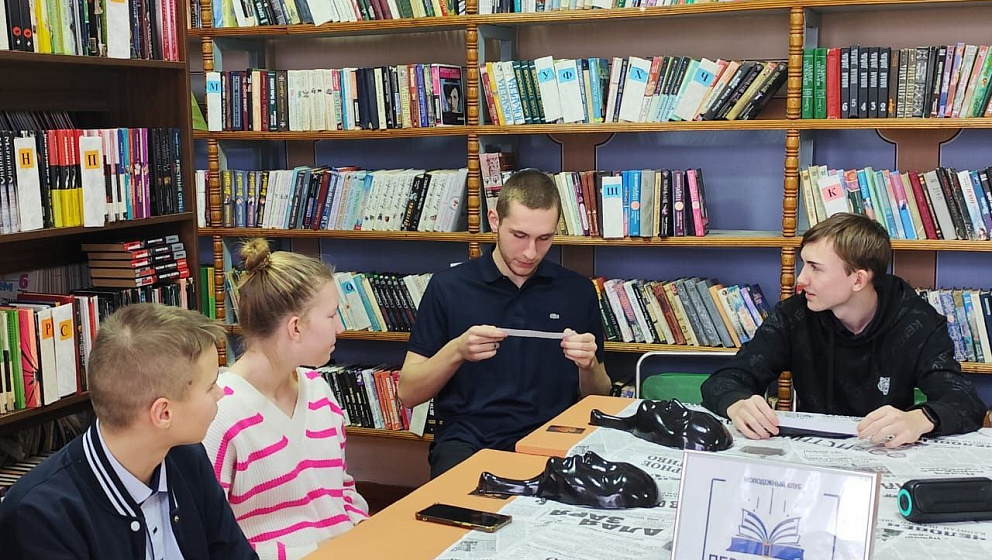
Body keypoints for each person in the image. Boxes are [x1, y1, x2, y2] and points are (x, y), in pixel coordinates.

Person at [701, 213, 986, 448]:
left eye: (815, 268)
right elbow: (725, 379)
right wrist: (736, 404)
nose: (801, 279)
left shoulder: (918, 321)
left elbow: (965, 402)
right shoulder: (793, 315)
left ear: (858, 280)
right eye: (803, 264)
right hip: (812, 457)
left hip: (884, 453)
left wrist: (922, 419)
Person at [0, 303, 257, 560]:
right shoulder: (38, 516)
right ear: (163, 413)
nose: (220, 393)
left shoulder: (188, 458)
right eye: (211, 385)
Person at [400, 169, 612, 478]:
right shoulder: (448, 287)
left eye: (544, 238)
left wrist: (588, 365)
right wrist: (457, 350)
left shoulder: (577, 291)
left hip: (553, 438)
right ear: (494, 220)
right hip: (467, 441)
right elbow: (408, 393)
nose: (530, 252)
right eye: (519, 235)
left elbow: (600, 396)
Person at [202, 239, 368, 560]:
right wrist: (313, 551)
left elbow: (343, 491)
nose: (340, 327)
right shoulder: (219, 412)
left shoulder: (319, 391)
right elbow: (211, 540)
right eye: (332, 315)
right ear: (295, 327)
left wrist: (363, 532)